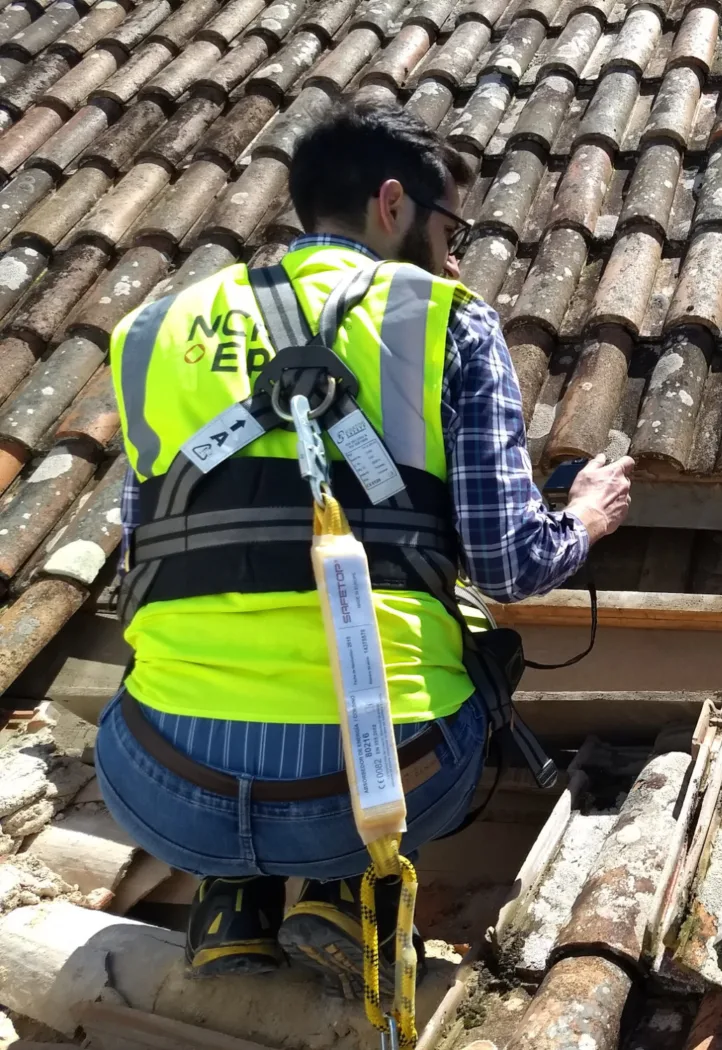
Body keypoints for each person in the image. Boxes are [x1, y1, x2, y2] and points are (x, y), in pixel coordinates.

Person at [95, 102, 634, 995]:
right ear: (394, 204)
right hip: (376, 792)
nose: (455, 255)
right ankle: (347, 889)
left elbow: (141, 553)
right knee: (480, 659)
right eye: (450, 227)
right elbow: (508, 566)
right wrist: (584, 517)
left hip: (158, 780)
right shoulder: (446, 320)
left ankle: (234, 898)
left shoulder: (154, 331)